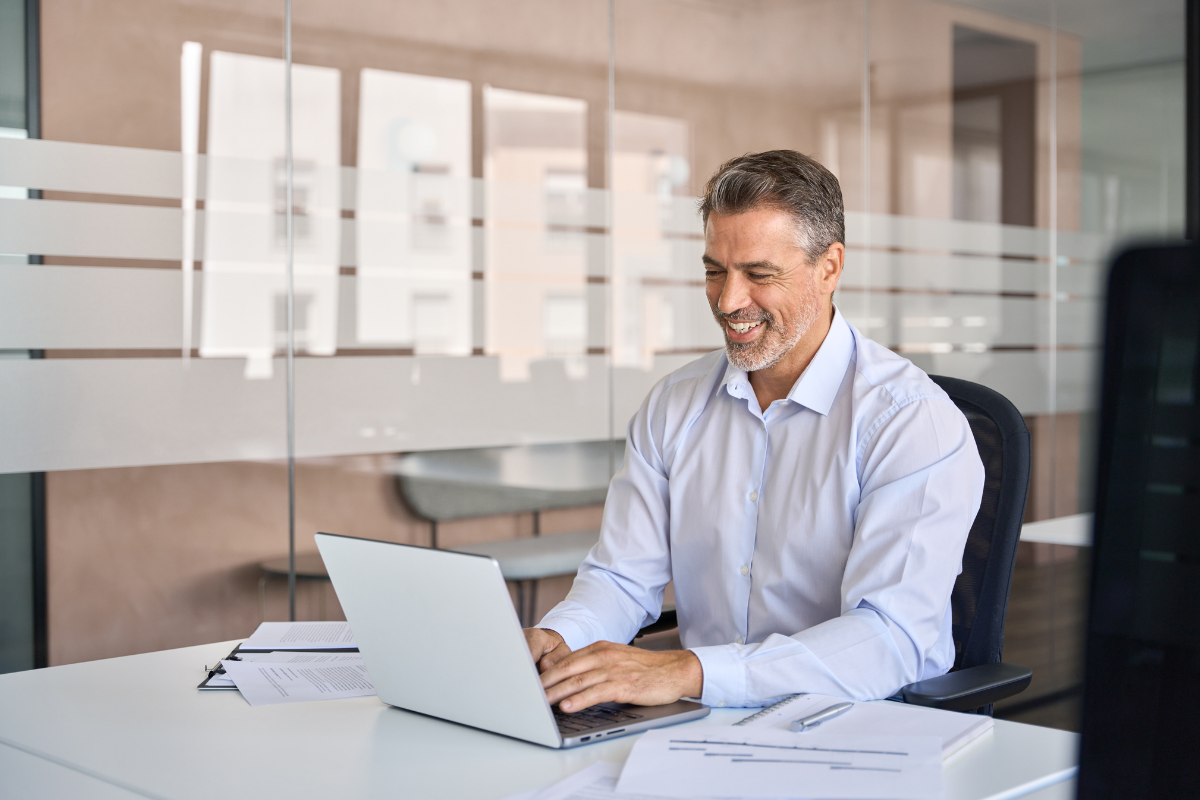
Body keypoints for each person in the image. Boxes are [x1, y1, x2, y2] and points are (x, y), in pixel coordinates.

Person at [525, 150, 984, 713]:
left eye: (759, 275)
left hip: (859, 728)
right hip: (703, 724)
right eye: (715, 270)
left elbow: (890, 637)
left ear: (830, 267)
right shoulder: (674, 405)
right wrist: (561, 639)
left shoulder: (912, 421)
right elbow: (621, 577)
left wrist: (692, 671)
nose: (728, 301)